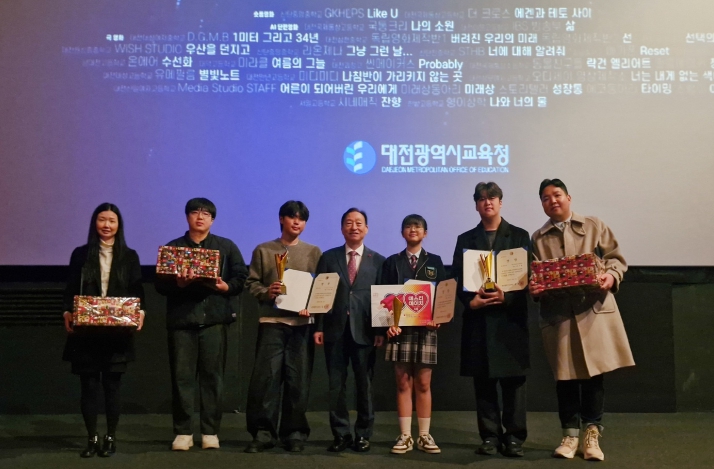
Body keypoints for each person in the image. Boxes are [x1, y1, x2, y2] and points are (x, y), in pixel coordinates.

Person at [529, 179, 634, 461]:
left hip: (592, 312)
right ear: (542, 204)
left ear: (569, 197)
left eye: (557, 195)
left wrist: (610, 276)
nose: (552, 201)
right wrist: (535, 288)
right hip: (559, 315)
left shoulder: (593, 225)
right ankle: (569, 435)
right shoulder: (538, 237)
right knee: (564, 377)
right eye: (546, 198)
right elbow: (535, 274)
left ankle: (592, 434)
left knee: (593, 375)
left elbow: (615, 259)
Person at [155, 198, 248, 451]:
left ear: (212, 220)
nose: (200, 217)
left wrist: (226, 287)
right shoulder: (173, 248)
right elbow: (160, 284)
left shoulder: (226, 247)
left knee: (212, 379)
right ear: (187, 216)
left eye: (206, 214)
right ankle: (183, 432)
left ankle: (210, 431)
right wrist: (178, 284)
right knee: (182, 379)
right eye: (195, 212)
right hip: (182, 322)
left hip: (214, 321)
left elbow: (241, 277)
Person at [451, 182, 531, 458]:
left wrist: (506, 296)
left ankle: (515, 438)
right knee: (483, 382)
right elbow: (457, 278)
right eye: (482, 199)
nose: (488, 202)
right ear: (476, 205)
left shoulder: (519, 236)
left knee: (514, 383)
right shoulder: (466, 239)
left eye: (492, 197)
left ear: (500, 202)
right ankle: (489, 437)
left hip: (510, 319)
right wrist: (469, 302)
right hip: (479, 320)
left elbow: (528, 276)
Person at [62, 203, 145, 458]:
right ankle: (91, 438)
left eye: (112, 220)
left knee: (112, 386)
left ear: (119, 225)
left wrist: (140, 313)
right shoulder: (80, 254)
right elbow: (70, 288)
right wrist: (67, 312)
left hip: (116, 333)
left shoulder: (129, 256)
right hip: (86, 332)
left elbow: (137, 290)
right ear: (94, 223)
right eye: (102, 219)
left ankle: (110, 437)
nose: (106, 225)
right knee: (88, 385)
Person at [243, 201, 322, 453]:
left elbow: (319, 288)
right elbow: (251, 283)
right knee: (266, 381)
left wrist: (313, 306)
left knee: (298, 382)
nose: (297, 222)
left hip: (302, 325)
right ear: (281, 219)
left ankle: (294, 433)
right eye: (292, 217)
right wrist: (267, 292)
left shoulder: (314, 252)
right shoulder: (264, 250)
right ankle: (263, 433)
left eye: (301, 219)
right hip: (272, 322)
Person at [314, 208, 386, 452]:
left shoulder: (378, 260)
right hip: (334, 329)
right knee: (336, 385)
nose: (354, 227)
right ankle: (341, 434)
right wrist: (319, 327)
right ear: (342, 228)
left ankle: (363, 434)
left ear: (366, 229)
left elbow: (383, 299)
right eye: (348, 223)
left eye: (359, 223)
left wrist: (380, 331)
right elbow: (320, 294)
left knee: (364, 385)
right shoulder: (328, 257)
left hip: (365, 331)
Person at [381, 214, 446, 455]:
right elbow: (383, 297)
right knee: (402, 382)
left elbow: (444, 294)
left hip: (426, 330)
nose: (412, 230)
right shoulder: (392, 262)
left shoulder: (435, 261)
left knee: (423, 383)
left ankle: (424, 435)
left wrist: (438, 318)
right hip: (400, 330)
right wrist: (388, 323)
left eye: (417, 226)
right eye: (408, 226)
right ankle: (405, 435)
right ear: (402, 233)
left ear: (425, 233)